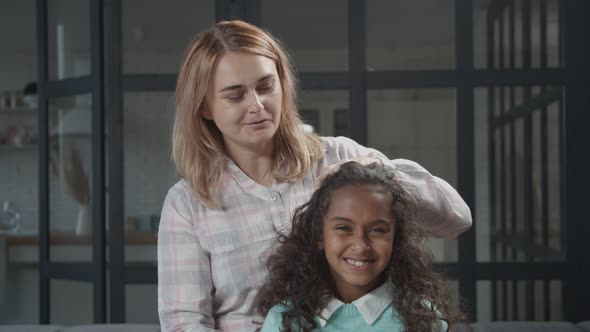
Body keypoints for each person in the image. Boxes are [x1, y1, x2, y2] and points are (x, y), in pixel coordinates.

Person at [158, 20, 472, 332]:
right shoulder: (187, 204)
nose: (257, 105)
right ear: (205, 108)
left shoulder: (339, 157)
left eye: (266, 87)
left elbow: (456, 218)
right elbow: (184, 323)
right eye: (235, 95)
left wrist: (373, 175)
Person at [255, 161, 464, 331]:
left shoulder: (422, 320)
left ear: (396, 238)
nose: (361, 245)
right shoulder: (284, 322)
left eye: (377, 230)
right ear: (319, 235)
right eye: (344, 228)